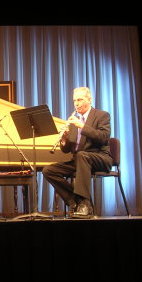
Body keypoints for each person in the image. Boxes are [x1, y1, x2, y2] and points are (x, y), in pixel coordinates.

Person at [42, 87, 112, 218]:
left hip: (100, 157)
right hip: (80, 160)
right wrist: (64, 140)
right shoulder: (74, 122)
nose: (76, 103)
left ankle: (85, 204)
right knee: (48, 170)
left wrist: (82, 126)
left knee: (81, 156)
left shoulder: (102, 115)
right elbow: (68, 149)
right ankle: (74, 202)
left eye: (80, 99)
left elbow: (104, 137)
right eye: (74, 100)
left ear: (89, 100)